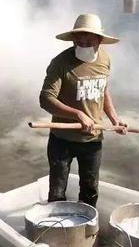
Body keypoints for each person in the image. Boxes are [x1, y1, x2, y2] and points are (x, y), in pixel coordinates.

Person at [39, 13, 127, 207]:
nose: (84, 45)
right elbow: (46, 99)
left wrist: (114, 119)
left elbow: (103, 90)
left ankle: (85, 231)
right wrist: (77, 114)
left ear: (99, 41)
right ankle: (56, 230)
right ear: (73, 40)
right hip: (62, 140)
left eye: (89, 42)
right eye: (80, 42)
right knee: (57, 192)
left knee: (90, 190)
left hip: (92, 139)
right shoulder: (60, 63)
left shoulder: (105, 59)